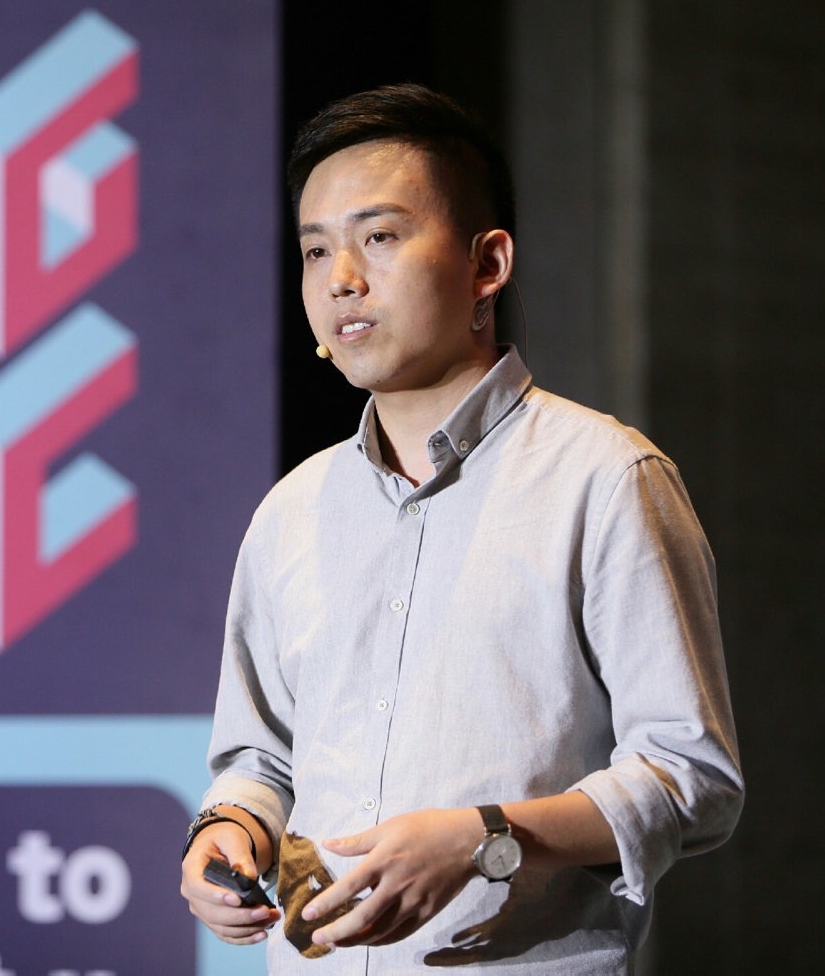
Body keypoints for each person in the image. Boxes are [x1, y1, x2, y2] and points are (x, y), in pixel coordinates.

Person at [179, 85, 742, 972]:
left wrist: (484, 837)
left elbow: (689, 774)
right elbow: (263, 757)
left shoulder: (605, 476)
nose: (341, 277)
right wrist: (229, 828)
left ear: (488, 264)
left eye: (379, 237)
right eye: (316, 249)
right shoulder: (292, 508)